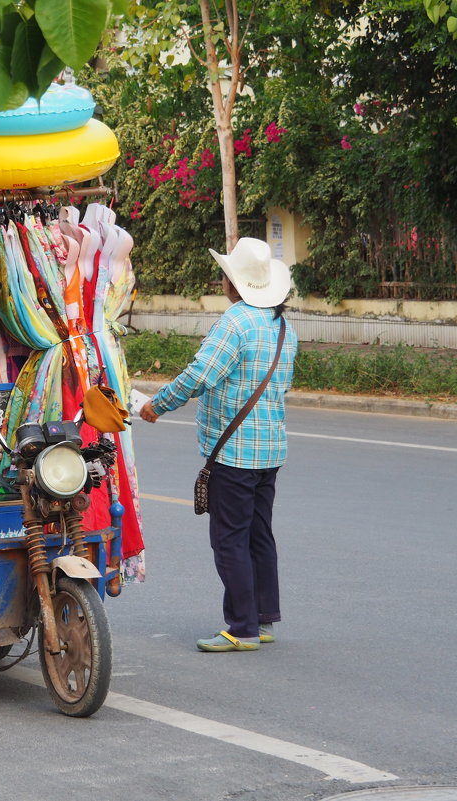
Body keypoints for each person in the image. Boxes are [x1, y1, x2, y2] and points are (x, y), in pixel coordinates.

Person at [140, 238, 297, 653]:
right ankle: (262, 619)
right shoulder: (282, 327)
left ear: (233, 282)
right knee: (259, 534)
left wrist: (157, 404)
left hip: (235, 453)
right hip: (270, 450)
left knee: (229, 539)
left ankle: (241, 628)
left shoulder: (236, 321)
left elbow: (200, 375)